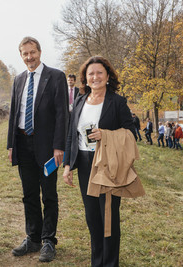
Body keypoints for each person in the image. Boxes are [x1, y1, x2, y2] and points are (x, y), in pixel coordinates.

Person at [62, 56, 138, 267]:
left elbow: (132, 134)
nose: (95, 77)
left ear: (107, 76)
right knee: (92, 218)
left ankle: (110, 263)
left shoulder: (117, 101)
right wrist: (68, 166)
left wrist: (105, 134)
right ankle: (97, 262)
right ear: (85, 79)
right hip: (85, 164)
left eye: (99, 73)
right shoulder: (79, 101)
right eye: (90, 74)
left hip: (108, 164)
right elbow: (71, 136)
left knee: (108, 219)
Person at [7, 36, 69, 262]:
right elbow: (14, 114)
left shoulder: (56, 77)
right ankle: (32, 237)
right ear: (21, 56)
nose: (29, 57)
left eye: (32, 52)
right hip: (23, 144)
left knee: (49, 195)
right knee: (29, 194)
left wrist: (59, 146)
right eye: (25, 53)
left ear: (39, 52)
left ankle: (48, 241)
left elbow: (63, 113)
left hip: (47, 148)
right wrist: (11, 145)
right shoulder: (18, 80)